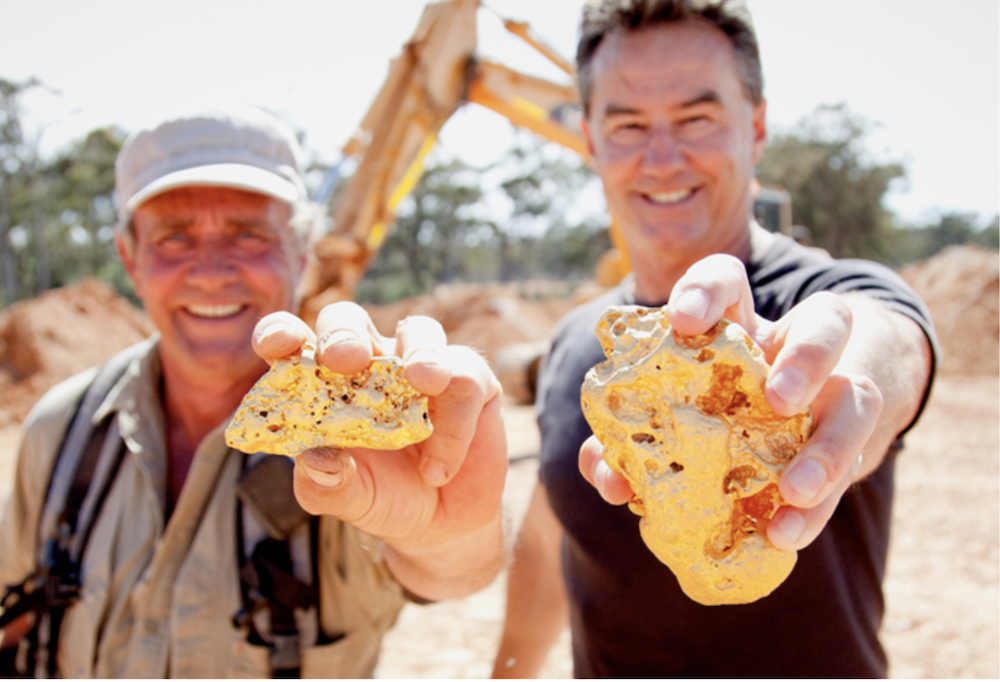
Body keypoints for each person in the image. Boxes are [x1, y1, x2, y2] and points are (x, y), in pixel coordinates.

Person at [492, 0, 937, 677]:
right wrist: (511, 671)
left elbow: (884, 350)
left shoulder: (828, 300)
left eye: (696, 118)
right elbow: (556, 530)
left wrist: (831, 390)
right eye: (629, 124)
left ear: (755, 128)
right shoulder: (578, 347)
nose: (663, 158)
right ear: (590, 138)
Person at [0, 106, 508, 678]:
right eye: (174, 236)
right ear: (130, 258)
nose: (212, 271)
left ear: (301, 254)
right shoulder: (60, 433)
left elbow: (446, 568)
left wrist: (450, 529)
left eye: (248, 233)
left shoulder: (353, 443)